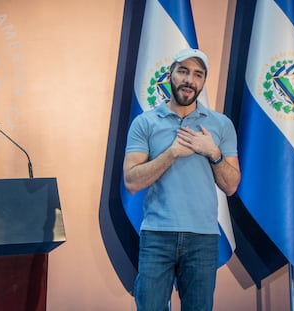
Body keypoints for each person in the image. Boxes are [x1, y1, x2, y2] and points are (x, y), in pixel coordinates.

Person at [123, 48, 241, 311]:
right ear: (170, 75)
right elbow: (131, 181)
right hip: (157, 235)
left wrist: (213, 153)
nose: (190, 80)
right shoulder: (145, 123)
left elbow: (231, 186)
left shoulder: (221, 125)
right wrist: (172, 153)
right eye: (183, 71)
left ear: (203, 82)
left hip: (203, 238)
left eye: (198, 74)